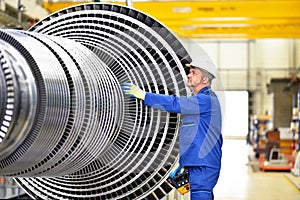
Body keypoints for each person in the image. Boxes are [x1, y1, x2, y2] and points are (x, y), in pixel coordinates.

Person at [121, 56, 223, 200]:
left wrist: (143, 95)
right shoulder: (198, 104)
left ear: (205, 79)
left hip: (203, 166)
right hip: (197, 164)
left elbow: (175, 104)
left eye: (194, 73)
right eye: (190, 72)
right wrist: (184, 164)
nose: (189, 75)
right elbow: (193, 136)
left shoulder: (206, 100)